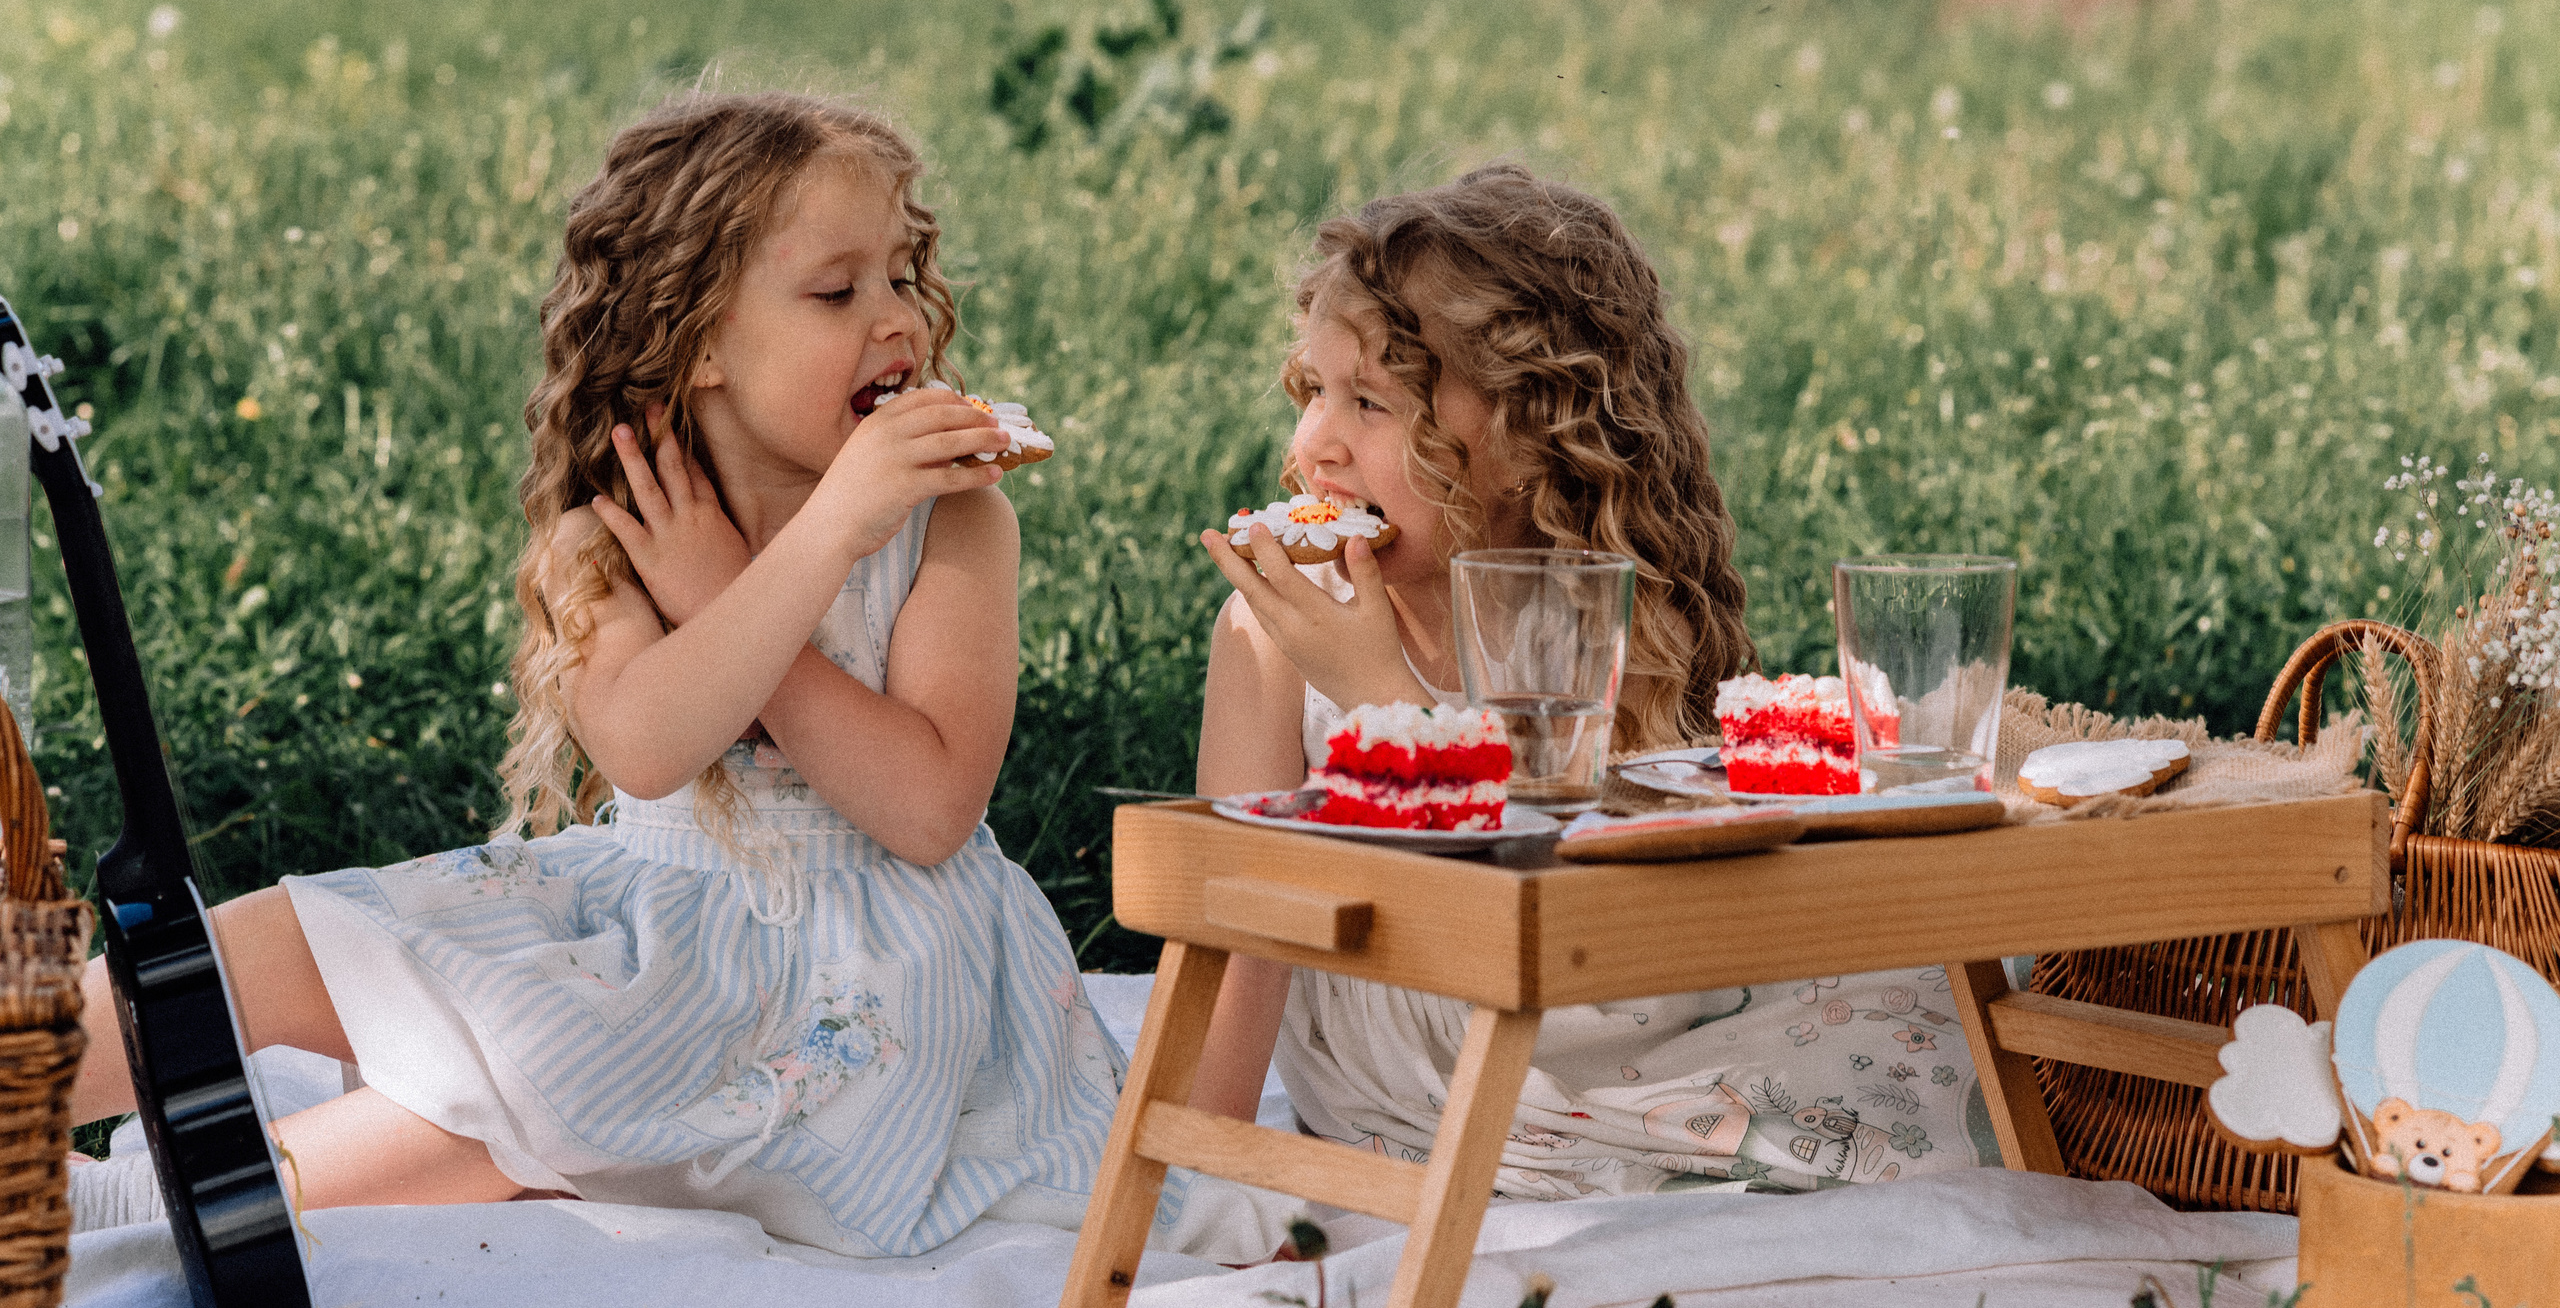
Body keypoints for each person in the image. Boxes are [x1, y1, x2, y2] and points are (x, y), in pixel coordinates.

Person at [66, 92, 1128, 1257]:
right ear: (697, 340)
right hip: (659, 921)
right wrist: (775, 559)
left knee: (527, 1094)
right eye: (837, 290)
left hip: (865, 981)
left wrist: (782, 558)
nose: (898, 322)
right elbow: (646, 743)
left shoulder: (953, 523)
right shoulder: (611, 532)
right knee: (304, 932)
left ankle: (128, 1209)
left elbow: (929, 810)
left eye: (902, 276)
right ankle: (32, 1081)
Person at [1193, 165, 1994, 1198]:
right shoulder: (1275, 628)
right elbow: (1236, 932)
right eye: (1313, 390)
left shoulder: (1596, 608)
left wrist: (1381, 686)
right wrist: (1196, 1170)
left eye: (1371, 403)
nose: (1315, 447)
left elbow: (1596, 898)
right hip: (1421, 1037)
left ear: (1528, 436)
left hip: (1604, 994)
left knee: (1940, 1005)